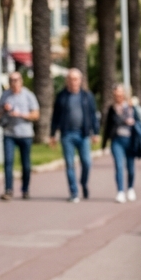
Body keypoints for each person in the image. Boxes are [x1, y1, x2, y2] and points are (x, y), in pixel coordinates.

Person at [49, 69, 100, 203]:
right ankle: (74, 192)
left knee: (87, 163)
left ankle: (83, 183)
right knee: (70, 164)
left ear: (80, 80)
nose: (73, 81)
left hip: (83, 134)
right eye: (70, 79)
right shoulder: (62, 96)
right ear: (67, 81)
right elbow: (55, 116)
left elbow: (93, 115)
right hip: (67, 134)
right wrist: (52, 134)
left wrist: (96, 133)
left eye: (76, 79)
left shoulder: (86, 96)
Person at [0, 71, 40, 200]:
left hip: (25, 134)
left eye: (16, 80)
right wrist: (4, 110)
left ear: (21, 81)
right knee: (8, 163)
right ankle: (8, 190)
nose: (13, 82)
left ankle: (25, 190)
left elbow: (36, 115)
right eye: (11, 80)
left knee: (26, 165)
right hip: (9, 133)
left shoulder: (28, 95)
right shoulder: (5, 95)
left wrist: (21, 114)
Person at [101, 84, 140, 203]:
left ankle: (130, 188)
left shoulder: (130, 107)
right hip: (116, 141)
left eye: (120, 94)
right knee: (118, 166)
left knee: (131, 167)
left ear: (124, 94)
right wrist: (104, 144)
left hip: (130, 140)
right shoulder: (111, 109)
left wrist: (133, 122)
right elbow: (107, 127)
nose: (118, 96)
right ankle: (120, 191)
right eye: (116, 94)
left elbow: (139, 121)